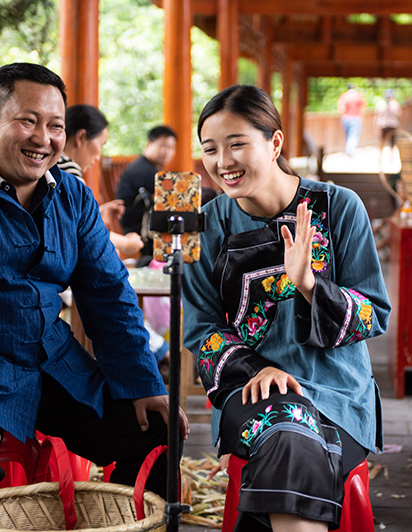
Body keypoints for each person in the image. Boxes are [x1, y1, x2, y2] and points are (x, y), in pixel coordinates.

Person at [0, 63, 189, 532]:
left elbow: (108, 294)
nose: (43, 138)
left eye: (55, 126)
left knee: (157, 433)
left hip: (49, 362)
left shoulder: (73, 199)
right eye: (27, 120)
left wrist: (144, 384)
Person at [182, 84, 390, 531]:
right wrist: (255, 369)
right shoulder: (209, 225)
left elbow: (374, 312)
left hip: (337, 396)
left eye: (237, 144)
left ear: (274, 142)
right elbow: (201, 330)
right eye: (210, 149)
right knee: (287, 433)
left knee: (295, 438)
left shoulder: (337, 208)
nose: (223, 162)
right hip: (250, 390)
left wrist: (311, 286)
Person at [58, 103, 144, 256]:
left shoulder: (54, 165)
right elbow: (83, 233)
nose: (98, 157)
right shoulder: (68, 171)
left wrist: (97, 212)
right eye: (100, 145)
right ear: (81, 137)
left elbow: (67, 218)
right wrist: (127, 243)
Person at [115, 125, 177, 266]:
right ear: (148, 144)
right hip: (137, 235)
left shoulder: (144, 167)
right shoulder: (145, 172)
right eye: (163, 146)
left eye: (171, 148)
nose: (167, 151)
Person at [337, 83, 366, 157]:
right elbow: (363, 107)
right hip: (355, 118)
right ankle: (350, 151)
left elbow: (341, 108)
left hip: (346, 118)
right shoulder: (358, 96)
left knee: (347, 135)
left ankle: (348, 150)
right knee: (353, 135)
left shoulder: (344, 96)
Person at [375, 89, 402, 157]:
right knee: (391, 141)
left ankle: (381, 156)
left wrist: (376, 126)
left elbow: (376, 116)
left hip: (383, 125)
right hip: (392, 125)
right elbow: (399, 114)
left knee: (382, 141)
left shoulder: (381, 103)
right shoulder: (395, 104)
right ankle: (390, 156)